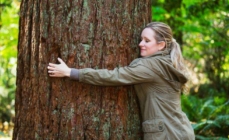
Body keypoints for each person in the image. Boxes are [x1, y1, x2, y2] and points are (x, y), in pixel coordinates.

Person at [47, 22, 195, 140]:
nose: (140, 44)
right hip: (181, 130)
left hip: (167, 135)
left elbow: (114, 76)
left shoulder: (151, 65)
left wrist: (71, 72)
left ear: (161, 45)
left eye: (147, 41)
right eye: (141, 39)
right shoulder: (166, 62)